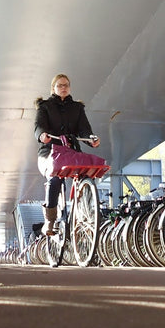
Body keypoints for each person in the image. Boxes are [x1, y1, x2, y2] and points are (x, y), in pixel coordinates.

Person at [33, 74, 99, 236]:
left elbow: (84, 129)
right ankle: (50, 219)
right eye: (60, 85)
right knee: (55, 178)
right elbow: (38, 127)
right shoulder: (45, 106)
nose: (63, 88)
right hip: (49, 152)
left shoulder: (77, 108)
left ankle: (90, 211)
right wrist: (42, 135)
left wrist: (91, 139)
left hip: (71, 153)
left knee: (87, 176)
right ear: (53, 88)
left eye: (66, 85)